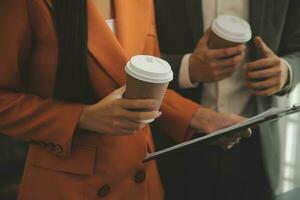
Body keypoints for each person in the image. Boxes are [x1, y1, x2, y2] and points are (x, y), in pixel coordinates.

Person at [0, 0, 250, 199]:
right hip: (69, 185)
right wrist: (82, 117)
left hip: (141, 180)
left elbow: (140, 86)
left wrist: (202, 118)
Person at [154, 0, 300, 199]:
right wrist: (186, 68)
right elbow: (132, 52)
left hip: (256, 147)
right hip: (174, 141)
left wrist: (287, 71)